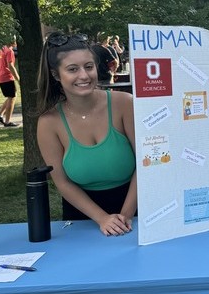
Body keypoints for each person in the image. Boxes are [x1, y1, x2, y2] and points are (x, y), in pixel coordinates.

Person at [35, 31, 137, 236]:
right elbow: (62, 182)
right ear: (56, 74)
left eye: (88, 67)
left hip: (135, 214)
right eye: (73, 69)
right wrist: (102, 218)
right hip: (82, 220)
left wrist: (125, 216)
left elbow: (147, 164)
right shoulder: (49, 123)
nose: (84, 75)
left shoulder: (124, 104)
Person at [0, 38, 20, 127]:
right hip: (7, 76)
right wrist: (18, 78)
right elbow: (10, 66)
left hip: (0, 76)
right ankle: (7, 121)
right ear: (13, 41)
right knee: (12, 97)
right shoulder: (9, 51)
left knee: (11, 96)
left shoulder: (1, 49)